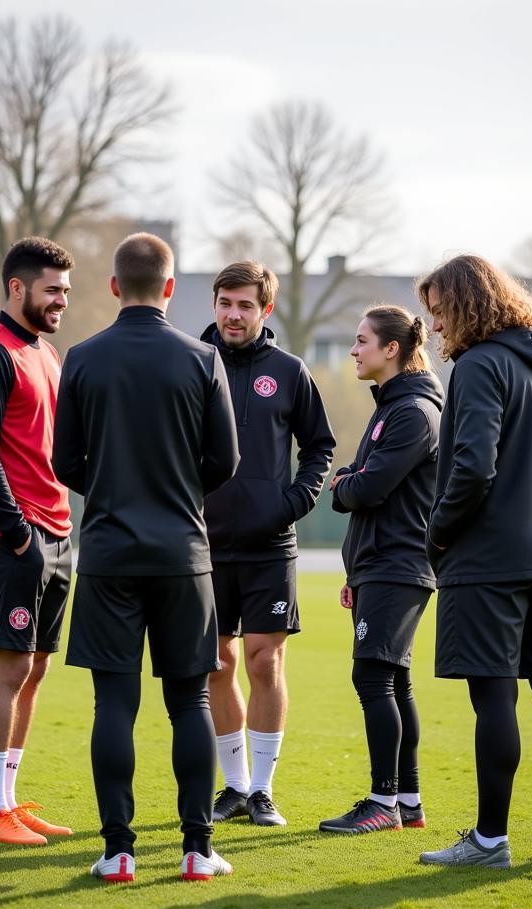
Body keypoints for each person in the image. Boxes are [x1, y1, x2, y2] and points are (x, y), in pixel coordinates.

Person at [53, 233, 240, 883]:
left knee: (114, 705)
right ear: (169, 288)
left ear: (112, 287)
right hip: (184, 554)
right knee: (189, 703)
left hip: (107, 552)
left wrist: (111, 487)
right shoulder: (201, 359)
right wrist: (178, 489)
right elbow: (226, 461)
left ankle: (118, 852)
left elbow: (63, 461)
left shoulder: (80, 358)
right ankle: (196, 849)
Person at [416, 255, 532, 869]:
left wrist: (438, 535)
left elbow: (471, 468)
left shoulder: (476, 367)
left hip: (488, 562)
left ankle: (490, 841)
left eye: (440, 314)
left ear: (466, 307)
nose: (436, 329)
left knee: (494, 700)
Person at [201, 261, 335, 828]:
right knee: (216, 662)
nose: (234, 314)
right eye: (226, 302)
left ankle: (262, 790)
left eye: (245, 305)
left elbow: (320, 449)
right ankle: (231, 788)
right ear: (214, 303)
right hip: (201, 545)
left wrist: (290, 504)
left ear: (265, 309)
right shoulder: (189, 362)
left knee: (264, 660)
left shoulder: (288, 371)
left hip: (269, 547)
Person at [0, 237, 75, 847]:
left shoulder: (47, 354)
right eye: (52, 289)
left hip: (56, 531)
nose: (62, 300)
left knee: (34, 669)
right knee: (8, 667)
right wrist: (17, 533)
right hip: (12, 537)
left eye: (66, 291)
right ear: (17, 287)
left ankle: (7, 800)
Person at [317, 306, 442, 835]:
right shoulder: (391, 406)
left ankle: (382, 802)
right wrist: (356, 570)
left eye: (362, 340)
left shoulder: (413, 411)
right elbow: (365, 480)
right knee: (395, 680)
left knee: (371, 676)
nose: (353, 349)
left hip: (400, 563)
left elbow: (366, 487)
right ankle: (407, 802)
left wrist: (344, 485)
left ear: (391, 349)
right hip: (379, 563)